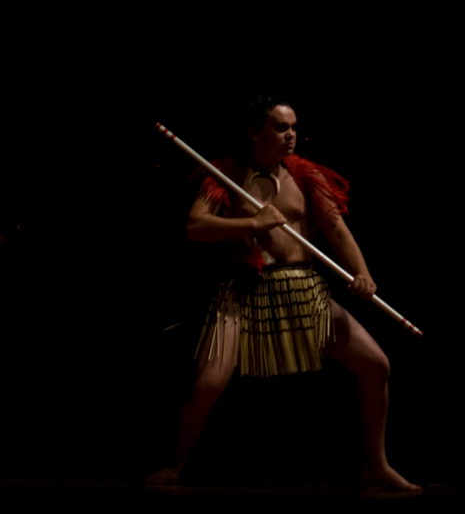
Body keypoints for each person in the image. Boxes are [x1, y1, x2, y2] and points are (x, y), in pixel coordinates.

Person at [146, 94, 420, 492]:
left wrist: (362, 275)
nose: (291, 135)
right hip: (244, 291)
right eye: (280, 127)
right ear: (255, 131)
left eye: (293, 127)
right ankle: (174, 466)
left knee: (377, 365)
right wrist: (252, 223)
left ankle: (375, 465)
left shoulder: (306, 176)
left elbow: (337, 232)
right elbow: (194, 228)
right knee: (207, 385)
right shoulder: (224, 174)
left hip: (303, 289)